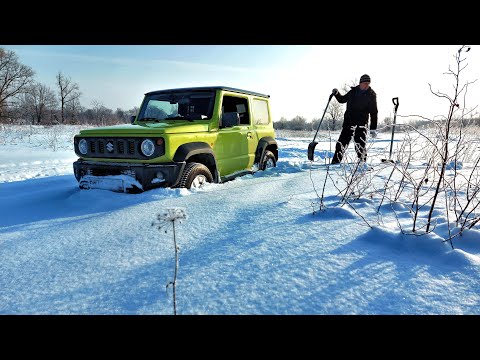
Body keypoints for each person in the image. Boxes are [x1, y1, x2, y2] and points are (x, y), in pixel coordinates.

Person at [331, 74, 378, 164]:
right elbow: (342, 99)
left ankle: (362, 164)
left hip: (361, 124)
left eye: (368, 83)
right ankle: (335, 163)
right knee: (341, 144)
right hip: (349, 122)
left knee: (360, 145)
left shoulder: (371, 95)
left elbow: (374, 112)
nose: (366, 85)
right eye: (365, 83)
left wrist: (373, 128)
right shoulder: (353, 92)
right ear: (360, 83)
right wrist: (337, 94)